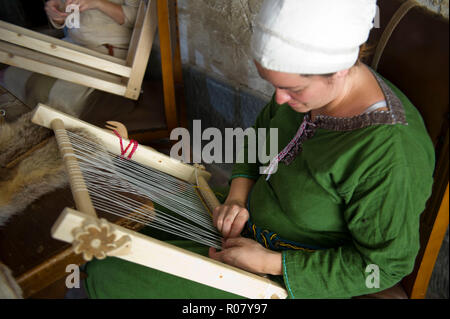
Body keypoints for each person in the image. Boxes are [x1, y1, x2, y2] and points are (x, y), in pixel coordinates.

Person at [80, 0, 435, 298]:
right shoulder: (303, 92)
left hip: (290, 276)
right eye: (273, 85)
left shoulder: (390, 154)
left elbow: (384, 266)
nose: (279, 99)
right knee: (123, 229)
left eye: (293, 89)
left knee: (109, 274)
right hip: (249, 221)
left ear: (340, 69)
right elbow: (260, 138)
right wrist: (236, 195)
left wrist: (270, 263)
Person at [0, 0, 139, 117]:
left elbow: (137, 17)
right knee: (11, 77)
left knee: (44, 92)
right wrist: (57, 14)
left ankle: (44, 135)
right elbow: (64, 11)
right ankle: (18, 134)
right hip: (71, 45)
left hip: (107, 51)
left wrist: (97, 3)